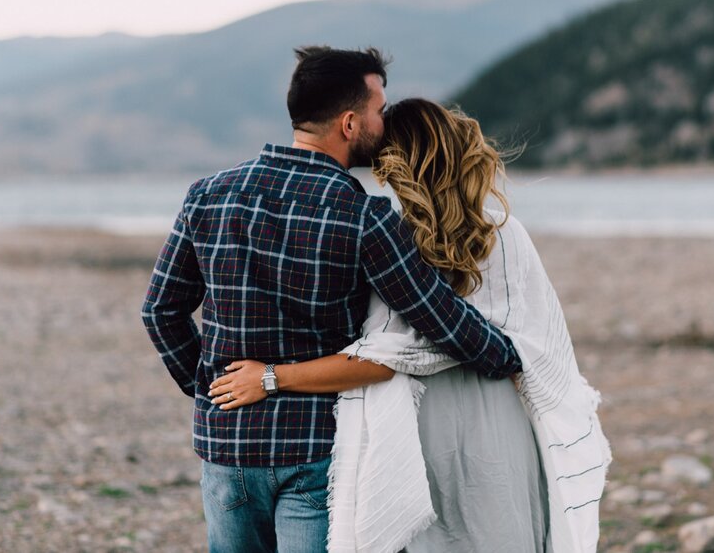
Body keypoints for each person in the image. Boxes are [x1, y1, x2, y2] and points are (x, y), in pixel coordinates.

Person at [140, 49, 523, 553]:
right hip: (317, 451)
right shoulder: (364, 216)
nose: (383, 123)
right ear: (349, 122)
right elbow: (439, 318)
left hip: (226, 444)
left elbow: (160, 310)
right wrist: (510, 357)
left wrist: (212, 390)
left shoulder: (208, 195)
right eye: (378, 110)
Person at [210, 99, 611, 552]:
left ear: (390, 167)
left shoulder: (391, 235)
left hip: (416, 420)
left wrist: (271, 377)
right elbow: (533, 345)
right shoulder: (504, 231)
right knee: (498, 530)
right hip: (495, 415)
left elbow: (384, 355)